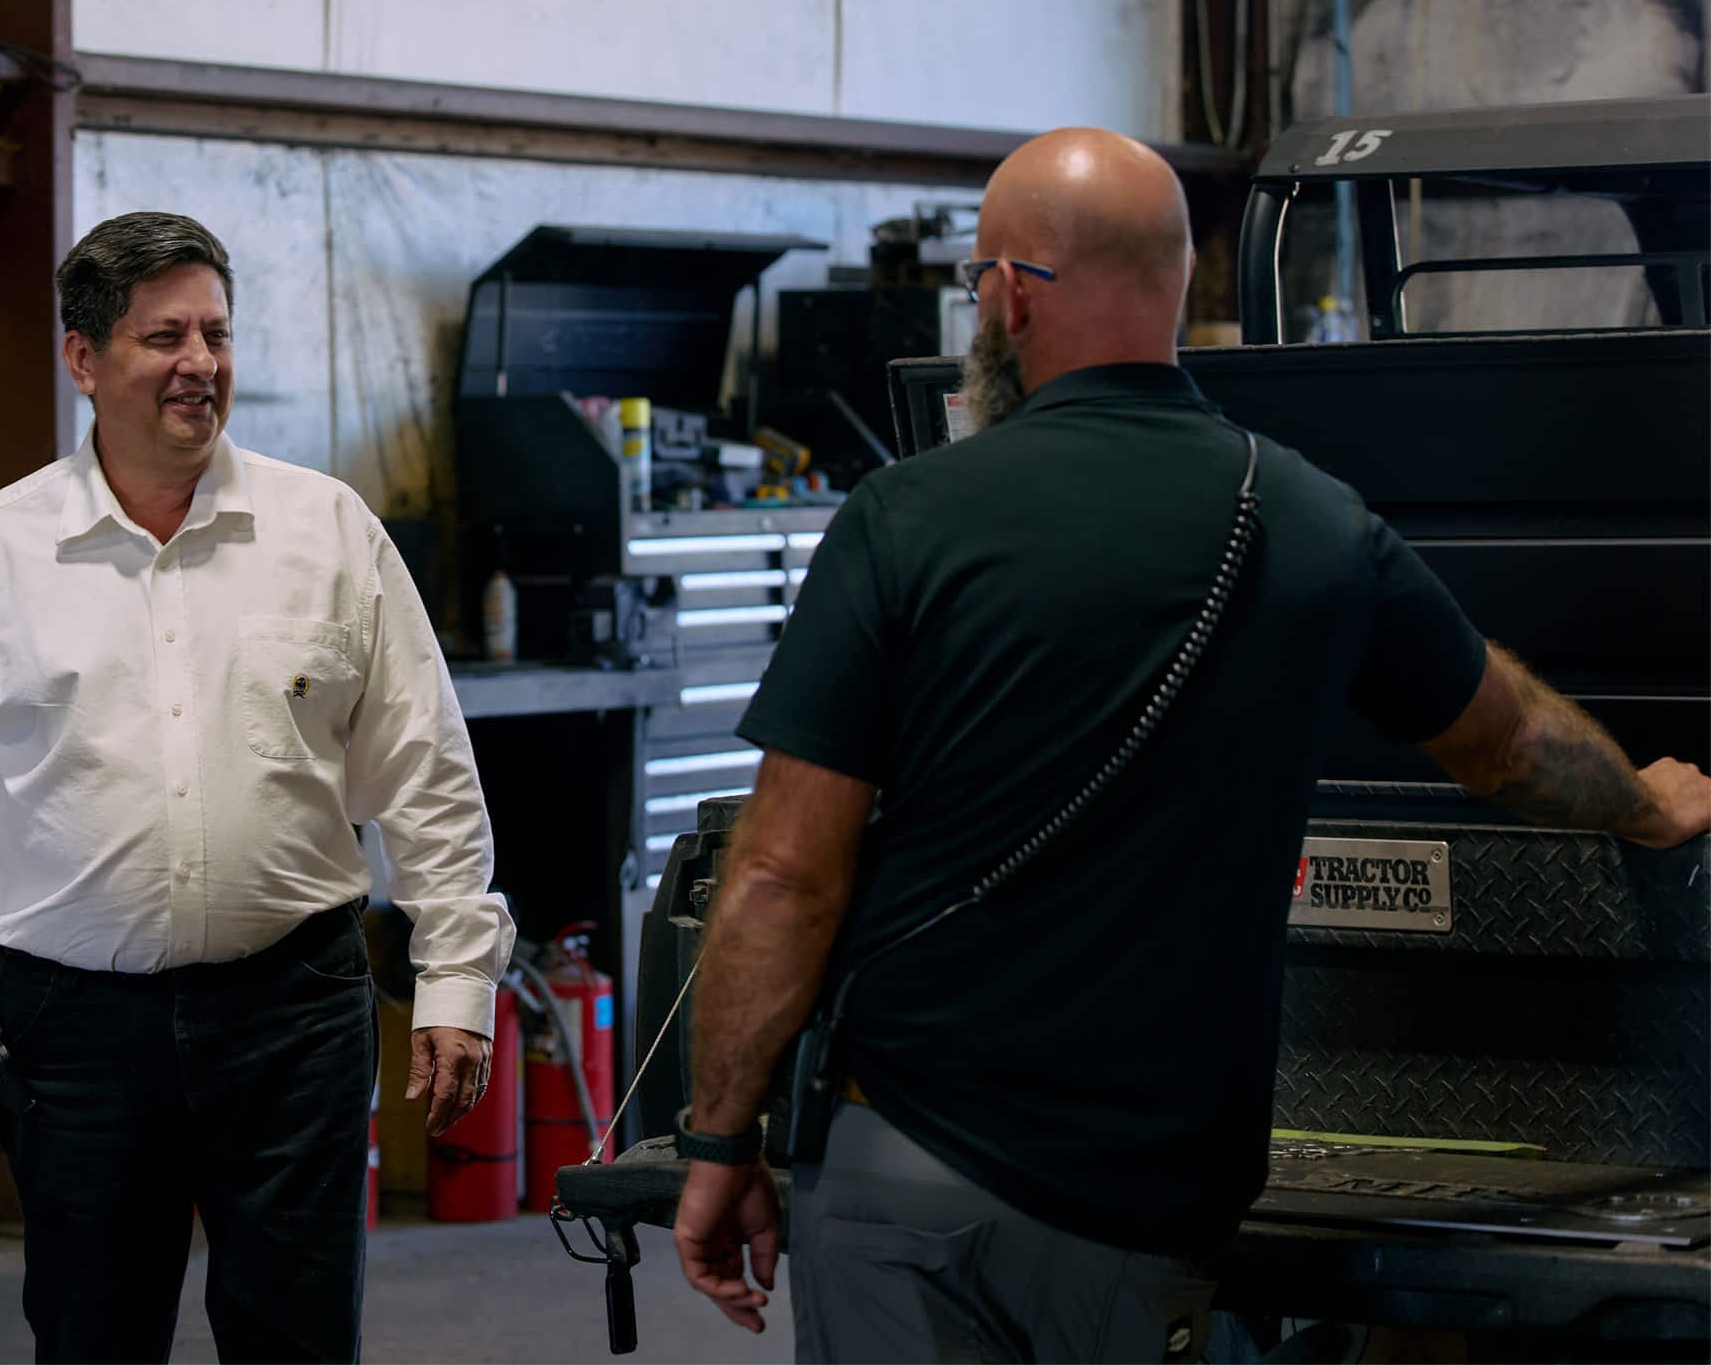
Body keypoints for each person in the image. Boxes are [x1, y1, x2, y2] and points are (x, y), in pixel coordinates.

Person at [668, 128, 1711, 1362]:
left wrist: (720, 1137)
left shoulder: (905, 519)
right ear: (1174, 287)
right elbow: (1511, 741)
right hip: (1143, 1200)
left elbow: (787, 874)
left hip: (908, 1167)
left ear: (1009, 293)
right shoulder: (1313, 521)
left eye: (972, 290)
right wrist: (1648, 803)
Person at [0, 211, 514, 1363]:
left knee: (299, 1337)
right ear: (84, 359)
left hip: (293, 1014)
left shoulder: (326, 530)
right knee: (92, 1336)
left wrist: (457, 972)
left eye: (216, 331)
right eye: (162, 335)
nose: (200, 363)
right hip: (77, 1033)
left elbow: (426, 766)